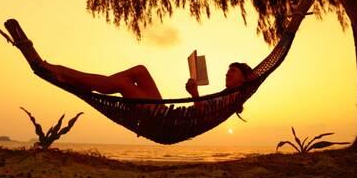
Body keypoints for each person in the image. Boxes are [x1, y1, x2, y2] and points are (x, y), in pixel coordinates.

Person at [15, 39, 253, 103]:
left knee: (120, 85)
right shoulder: (223, 96)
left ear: (244, 78)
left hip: (165, 122)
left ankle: (59, 71)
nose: (227, 74)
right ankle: (66, 74)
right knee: (140, 70)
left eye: (233, 73)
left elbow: (201, 116)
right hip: (164, 112)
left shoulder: (230, 99)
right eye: (227, 71)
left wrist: (194, 95)